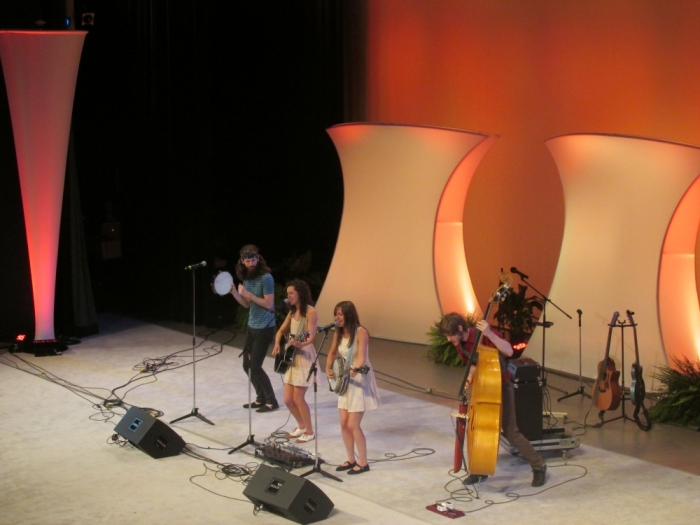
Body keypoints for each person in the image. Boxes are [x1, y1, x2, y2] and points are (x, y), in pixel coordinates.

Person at [439, 312, 547, 487]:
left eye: (450, 335)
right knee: (479, 429)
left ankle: (538, 465)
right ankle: (480, 470)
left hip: (501, 387)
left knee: (511, 433)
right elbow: (473, 363)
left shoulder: (483, 334)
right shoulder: (460, 343)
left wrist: (489, 334)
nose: (448, 340)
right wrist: (470, 377)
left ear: (460, 329)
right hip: (482, 388)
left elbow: (509, 351)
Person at [325, 301, 380, 475]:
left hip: (358, 381)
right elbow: (333, 352)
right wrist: (328, 367)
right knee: (343, 423)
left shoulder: (361, 332)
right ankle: (350, 458)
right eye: (336, 314)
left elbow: (362, 357)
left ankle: (363, 462)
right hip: (344, 380)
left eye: (340, 314)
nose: (337, 317)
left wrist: (356, 368)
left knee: (352, 424)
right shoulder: (338, 332)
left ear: (349, 315)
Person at [230, 245, 279, 413]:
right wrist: (236, 293)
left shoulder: (266, 278)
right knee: (246, 365)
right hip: (252, 325)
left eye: (253, 260)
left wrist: (248, 294)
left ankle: (272, 401)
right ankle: (260, 398)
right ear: (242, 261)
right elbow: (246, 304)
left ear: (258, 259)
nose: (251, 263)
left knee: (255, 366)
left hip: (265, 327)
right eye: (247, 260)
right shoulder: (247, 278)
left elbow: (268, 304)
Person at [272, 279, 318, 443]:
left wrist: (301, 343)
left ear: (300, 293)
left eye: (291, 293)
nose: (288, 296)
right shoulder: (292, 312)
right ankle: (301, 426)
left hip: (304, 356)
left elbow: (311, 336)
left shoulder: (310, 312)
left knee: (298, 399)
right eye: (287, 293)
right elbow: (281, 331)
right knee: (287, 399)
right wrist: (278, 342)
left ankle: (310, 431)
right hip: (291, 356)